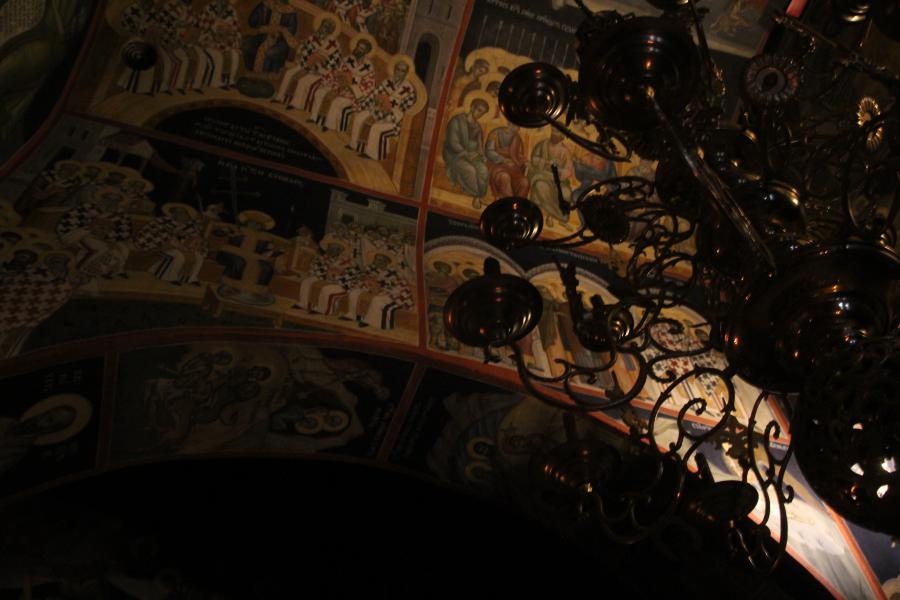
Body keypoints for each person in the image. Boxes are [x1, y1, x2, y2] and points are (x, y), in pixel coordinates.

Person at [346, 58, 418, 159]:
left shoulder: (409, 90)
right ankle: (355, 145)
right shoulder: (387, 82)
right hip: (378, 111)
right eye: (398, 69)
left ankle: (371, 154)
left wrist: (388, 113)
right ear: (394, 69)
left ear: (406, 73)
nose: (399, 72)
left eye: (402, 71)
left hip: (394, 119)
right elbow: (373, 96)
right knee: (360, 116)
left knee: (376, 127)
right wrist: (363, 106)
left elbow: (403, 111)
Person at [307, 37, 376, 131]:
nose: (358, 49)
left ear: (366, 52)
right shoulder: (347, 59)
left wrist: (351, 86)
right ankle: (314, 118)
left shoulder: (369, 68)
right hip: (338, 86)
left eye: (361, 48)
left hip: (352, 94)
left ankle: (328, 126)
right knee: (320, 92)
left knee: (337, 102)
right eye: (358, 46)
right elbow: (336, 71)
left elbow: (369, 87)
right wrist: (330, 79)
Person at [274, 16, 340, 105]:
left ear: (330, 30)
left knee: (303, 81)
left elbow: (334, 62)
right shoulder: (312, 38)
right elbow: (303, 51)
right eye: (322, 25)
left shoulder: (334, 44)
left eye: (326, 27)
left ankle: (295, 103)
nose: (322, 28)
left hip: (319, 70)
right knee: (289, 73)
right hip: (305, 64)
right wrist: (308, 59)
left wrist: (320, 62)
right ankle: (279, 97)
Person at [443, 98, 490, 205]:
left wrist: (481, 155)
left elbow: (480, 146)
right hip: (456, 155)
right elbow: (453, 142)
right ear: (472, 107)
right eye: (479, 110)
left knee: (483, 170)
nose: (480, 114)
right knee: (470, 170)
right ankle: (476, 196)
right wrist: (465, 153)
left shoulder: (478, 127)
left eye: (482, 113)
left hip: (473, 156)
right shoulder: (457, 121)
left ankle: (481, 195)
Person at [529, 129, 575, 228]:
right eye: (553, 131)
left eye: (557, 132)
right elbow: (533, 159)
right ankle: (561, 217)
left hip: (559, 181)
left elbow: (568, 170)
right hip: (542, 176)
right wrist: (545, 163)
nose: (553, 134)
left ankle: (554, 215)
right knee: (541, 187)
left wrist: (561, 171)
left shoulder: (565, 152)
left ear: (562, 135)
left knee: (566, 193)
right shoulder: (542, 145)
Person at [241, 0, 300, 73]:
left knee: (269, 53)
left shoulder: (290, 11)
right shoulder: (267, 4)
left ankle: (265, 76)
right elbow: (252, 22)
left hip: (280, 40)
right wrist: (260, 11)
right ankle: (247, 72)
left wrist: (279, 31)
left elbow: (291, 31)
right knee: (247, 45)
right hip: (263, 36)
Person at [485, 124, 528, 198]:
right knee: (504, 177)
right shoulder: (495, 133)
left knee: (525, 182)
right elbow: (489, 151)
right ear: (510, 124)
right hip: (496, 165)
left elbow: (518, 154)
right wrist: (504, 160)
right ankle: (508, 203)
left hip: (513, 168)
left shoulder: (516, 137)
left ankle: (518, 204)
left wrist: (523, 160)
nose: (519, 129)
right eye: (517, 126)